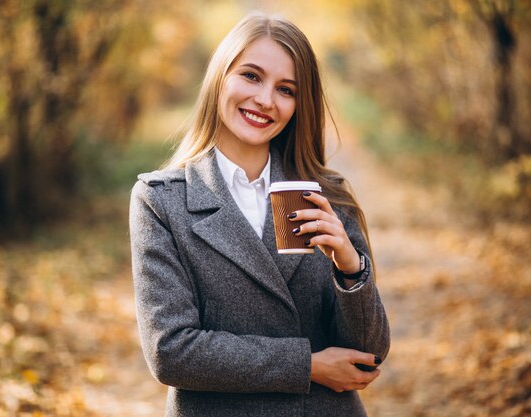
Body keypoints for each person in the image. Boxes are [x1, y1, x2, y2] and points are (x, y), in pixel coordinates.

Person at [129, 11, 390, 417]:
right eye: (251, 76)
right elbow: (172, 351)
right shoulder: (161, 201)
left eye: (286, 89)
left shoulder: (327, 196)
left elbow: (368, 354)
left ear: (299, 105)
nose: (265, 100)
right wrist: (307, 366)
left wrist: (350, 267)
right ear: (221, 77)